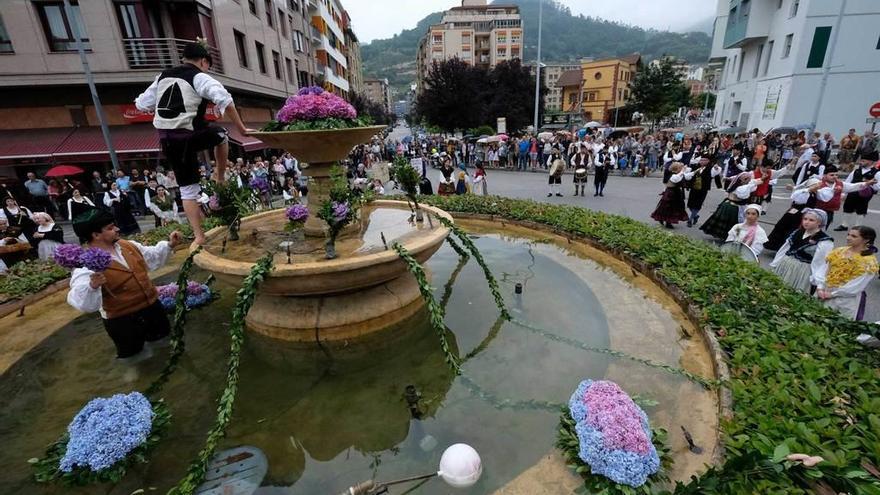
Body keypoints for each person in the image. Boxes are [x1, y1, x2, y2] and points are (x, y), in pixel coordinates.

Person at [135, 41, 253, 245]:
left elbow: (141, 103)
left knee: (188, 191)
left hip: (168, 140)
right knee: (222, 134)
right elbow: (225, 99)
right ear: (203, 61)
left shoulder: (162, 76)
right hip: (190, 134)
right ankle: (220, 176)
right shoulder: (199, 76)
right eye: (208, 64)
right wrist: (242, 129)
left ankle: (199, 236)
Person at [67, 209, 183, 362]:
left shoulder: (127, 245)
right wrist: (92, 286)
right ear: (95, 235)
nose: (117, 229)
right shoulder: (85, 266)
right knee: (136, 359)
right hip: (123, 322)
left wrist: (170, 244)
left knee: (166, 347)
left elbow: (152, 256)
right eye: (110, 228)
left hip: (152, 309)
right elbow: (80, 301)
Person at [815, 226, 878, 320]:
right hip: (824, 290)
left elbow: (857, 285)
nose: (848, 238)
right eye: (848, 234)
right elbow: (824, 269)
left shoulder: (868, 262)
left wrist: (832, 294)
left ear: (866, 240)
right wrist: (820, 287)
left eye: (854, 236)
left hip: (844, 298)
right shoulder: (839, 251)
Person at [769, 209, 834, 294]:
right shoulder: (798, 232)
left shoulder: (824, 241)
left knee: (792, 294)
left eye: (811, 220)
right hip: (785, 265)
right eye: (805, 219)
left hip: (802, 271)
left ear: (819, 223)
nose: (806, 222)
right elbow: (784, 249)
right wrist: (775, 263)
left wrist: (818, 281)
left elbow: (821, 262)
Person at [810, 165, 876, 229]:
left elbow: (852, 187)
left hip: (830, 211)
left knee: (822, 230)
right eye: (832, 175)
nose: (834, 177)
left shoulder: (840, 184)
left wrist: (867, 183)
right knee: (813, 229)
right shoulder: (818, 184)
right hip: (816, 210)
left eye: (836, 175)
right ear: (825, 175)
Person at [700, 172, 761, 240]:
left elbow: (752, 184)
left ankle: (727, 236)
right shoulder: (741, 188)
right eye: (748, 180)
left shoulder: (736, 185)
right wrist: (754, 184)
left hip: (729, 205)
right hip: (733, 207)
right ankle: (728, 237)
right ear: (743, 180)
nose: (749, 181)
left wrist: (758, 181)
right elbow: (746, 191)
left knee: (727, 223)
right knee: (732, 224)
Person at [835, 151, 880, 231]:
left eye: (863, 161)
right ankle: (844, 225)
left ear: (871, 162)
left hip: (865, 195)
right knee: (848, 207)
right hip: (852, 192)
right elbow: (847, 182)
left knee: (861, 209)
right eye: (861, 160)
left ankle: (858, 226)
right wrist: (844, 193)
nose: (861, 162)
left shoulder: (877, 173)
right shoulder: (856, 171)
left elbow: (877, 186)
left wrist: (869, 185)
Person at [650, 162, 690, 228]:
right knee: (669, 208)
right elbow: (677, 179)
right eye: (680, 167)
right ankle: (668, 222)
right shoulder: (673, 175)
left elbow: (686, 174)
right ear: (677, 168)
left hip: (676, 192)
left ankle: (665, 220)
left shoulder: (678, 174)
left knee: (674, 207)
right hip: (671, 193)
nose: (681, 169)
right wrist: (682, 171)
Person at [685, 155, 719, 227]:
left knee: (697, 204)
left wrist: (716, 168)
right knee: (690, 205)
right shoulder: (697, 168)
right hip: (694, 188)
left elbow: (716, 171)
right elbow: (689, 175)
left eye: (704, 160)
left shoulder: (710, 169)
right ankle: (695, 216)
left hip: (703, 189)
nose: (702, 161)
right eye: (701, 160)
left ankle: (690, 219)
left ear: (708, 161)